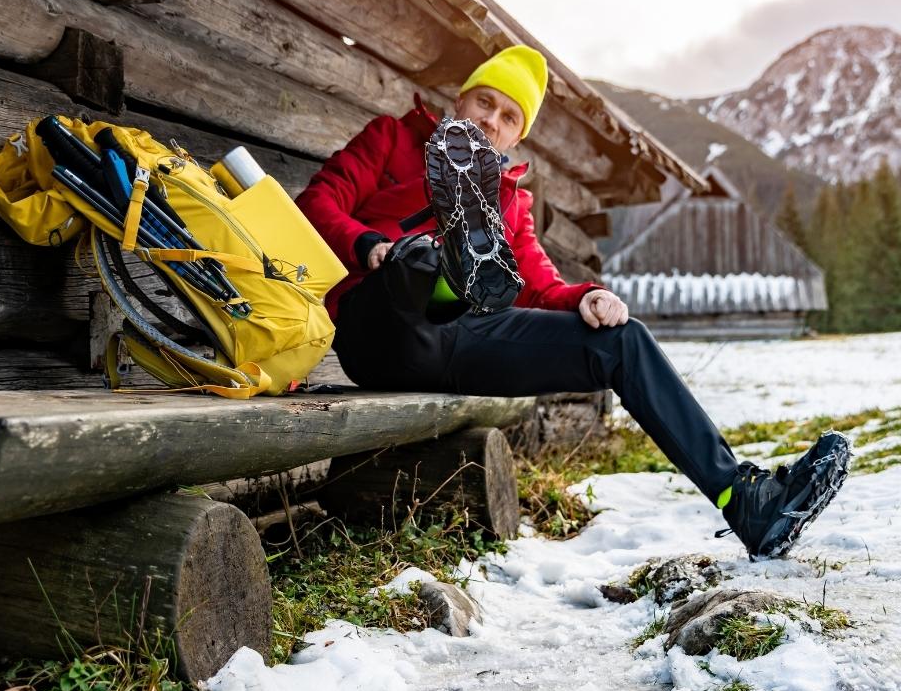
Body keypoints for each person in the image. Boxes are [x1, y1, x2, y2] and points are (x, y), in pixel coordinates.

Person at [296, 45, 849, 559]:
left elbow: (540, 284)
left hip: (461, 338)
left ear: (515, 139)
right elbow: (320, 199)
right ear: (458, 102)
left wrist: (591, 297)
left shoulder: (513, 200)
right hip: (380, 325)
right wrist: (369, 245)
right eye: (483, 103)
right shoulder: (393, 138)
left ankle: (743, 500)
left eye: (508, 117)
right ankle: (440, 255)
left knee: (622, 340)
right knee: (417, 263)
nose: (491, 119)